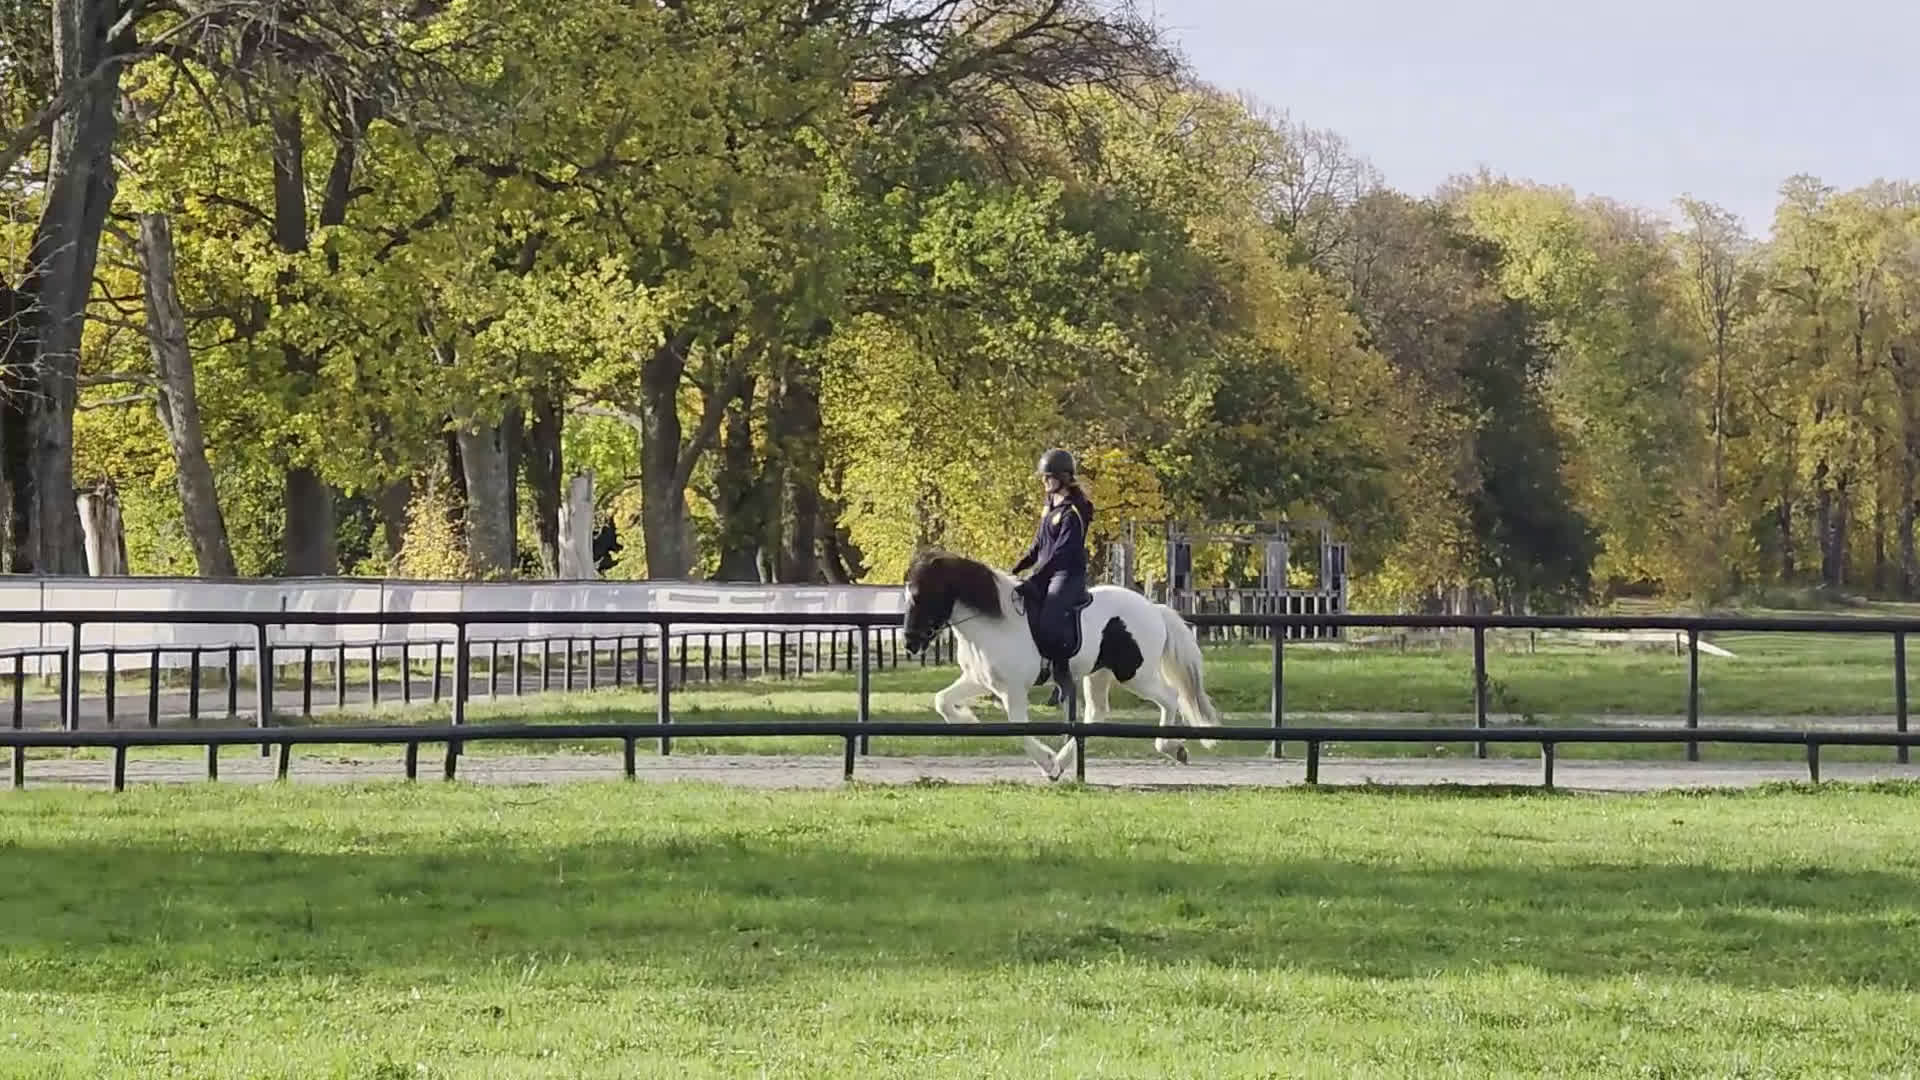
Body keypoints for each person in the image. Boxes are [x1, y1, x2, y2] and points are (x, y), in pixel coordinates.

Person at [1012, 448, 1094, 703]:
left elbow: (1062, 552)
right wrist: (1015, 569)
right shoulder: (1049, 506)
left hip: (1066, 575)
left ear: (1062, 477)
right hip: (1047, 570)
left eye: (1048, 477)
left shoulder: (1075, 510)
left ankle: (1063, 675)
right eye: (1043, 477)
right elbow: (1038, 546)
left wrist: (1036, 578)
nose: (1044, 481)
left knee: (1051, 614)